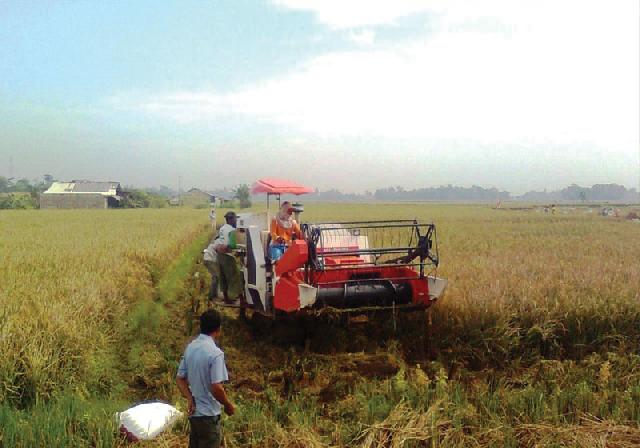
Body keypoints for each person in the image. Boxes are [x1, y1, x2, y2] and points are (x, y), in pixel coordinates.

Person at [176, 309, 235, 448]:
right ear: (218, 329)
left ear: (200, 326)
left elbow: (180, 379)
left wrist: (190, 398)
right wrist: (227, 405)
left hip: (195, 416)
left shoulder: (190, 348)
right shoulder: (215, 354)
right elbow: (216, 387)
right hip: (208, 417)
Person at [215, 211, 244, 304]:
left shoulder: (222, 228)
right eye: (235, 218)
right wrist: (239, 249)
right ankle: (241, 299)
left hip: (219, 256)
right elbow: (232, 245)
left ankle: (226, 298)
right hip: (227, 256)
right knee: (235, 277)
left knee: (223, 277)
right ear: (231, 219)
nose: (236, 220)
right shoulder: (231, 230)